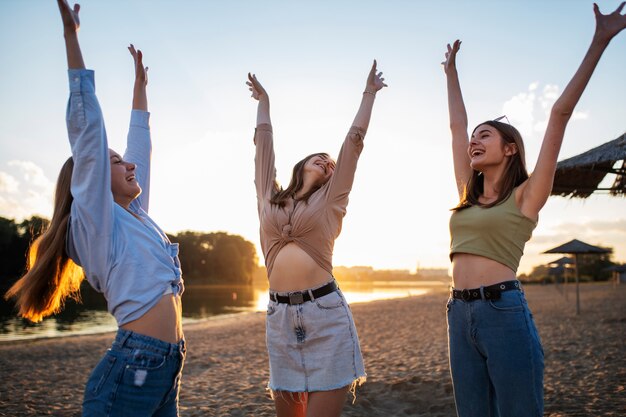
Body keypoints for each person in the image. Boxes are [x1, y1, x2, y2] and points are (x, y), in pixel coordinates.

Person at [442, 3, 626, 416]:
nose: (473, 140)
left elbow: (559, 113)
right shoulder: (466, 193)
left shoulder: (526, 196)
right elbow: (456, 126)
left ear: (509, 149)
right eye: (474, 137)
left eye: (484, 135)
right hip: (457, 313)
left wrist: (600, 41)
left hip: (502, 311)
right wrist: (450, 73)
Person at [5, 1, 186, 416]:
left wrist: (140, 87)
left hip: (165, 364)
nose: (129, 164)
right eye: (116, 162)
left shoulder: (135, 216)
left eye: (124, 159)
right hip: (134, 366)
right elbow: (88, 132)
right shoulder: (97, 226)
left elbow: (142, 146)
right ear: (89, 184)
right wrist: (72, 39)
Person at [247, 62, 386, 416]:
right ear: (302, 164)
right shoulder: (268, 196)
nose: (328, 161)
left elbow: (353, 143)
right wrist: (264, 101)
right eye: (320, 157)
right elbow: (263, 146)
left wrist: (369, 93)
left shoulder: (331, 200)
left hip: (325, 315)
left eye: (331, 163)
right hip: (279, 318)